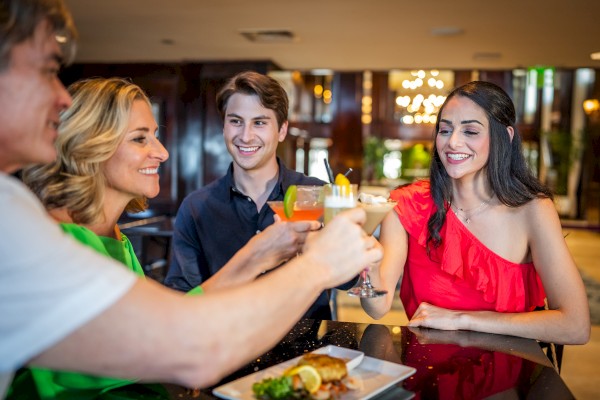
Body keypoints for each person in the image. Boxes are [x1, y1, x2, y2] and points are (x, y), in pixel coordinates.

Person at [0, 0, 382, 396]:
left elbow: (174, 318)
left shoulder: (115, 238)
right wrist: (316, 266)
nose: (163, 152)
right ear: (90, 146)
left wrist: (258, 255)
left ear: (281, 130)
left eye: (260, 123)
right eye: (140, 138)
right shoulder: (36, 229)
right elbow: (188, 344)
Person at [361, 81, 590, 345]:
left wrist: (462, 319)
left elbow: (575, 326)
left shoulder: (534, 211)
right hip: (427, 370)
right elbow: (377, 308)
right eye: (445, 130)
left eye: (470, 131)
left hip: (508, 375)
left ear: (505, 136)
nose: (452, 142)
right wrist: (369, 261)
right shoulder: (408, 204)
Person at [165, 71, 342, 320]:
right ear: (224, 126)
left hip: (306, 352)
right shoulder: (196, 207)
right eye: (236, 121)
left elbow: (351, 279)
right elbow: (183, 298)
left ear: (281, 131)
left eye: (259, 122)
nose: (246, 136)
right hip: (225, 348)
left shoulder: (316, 194)